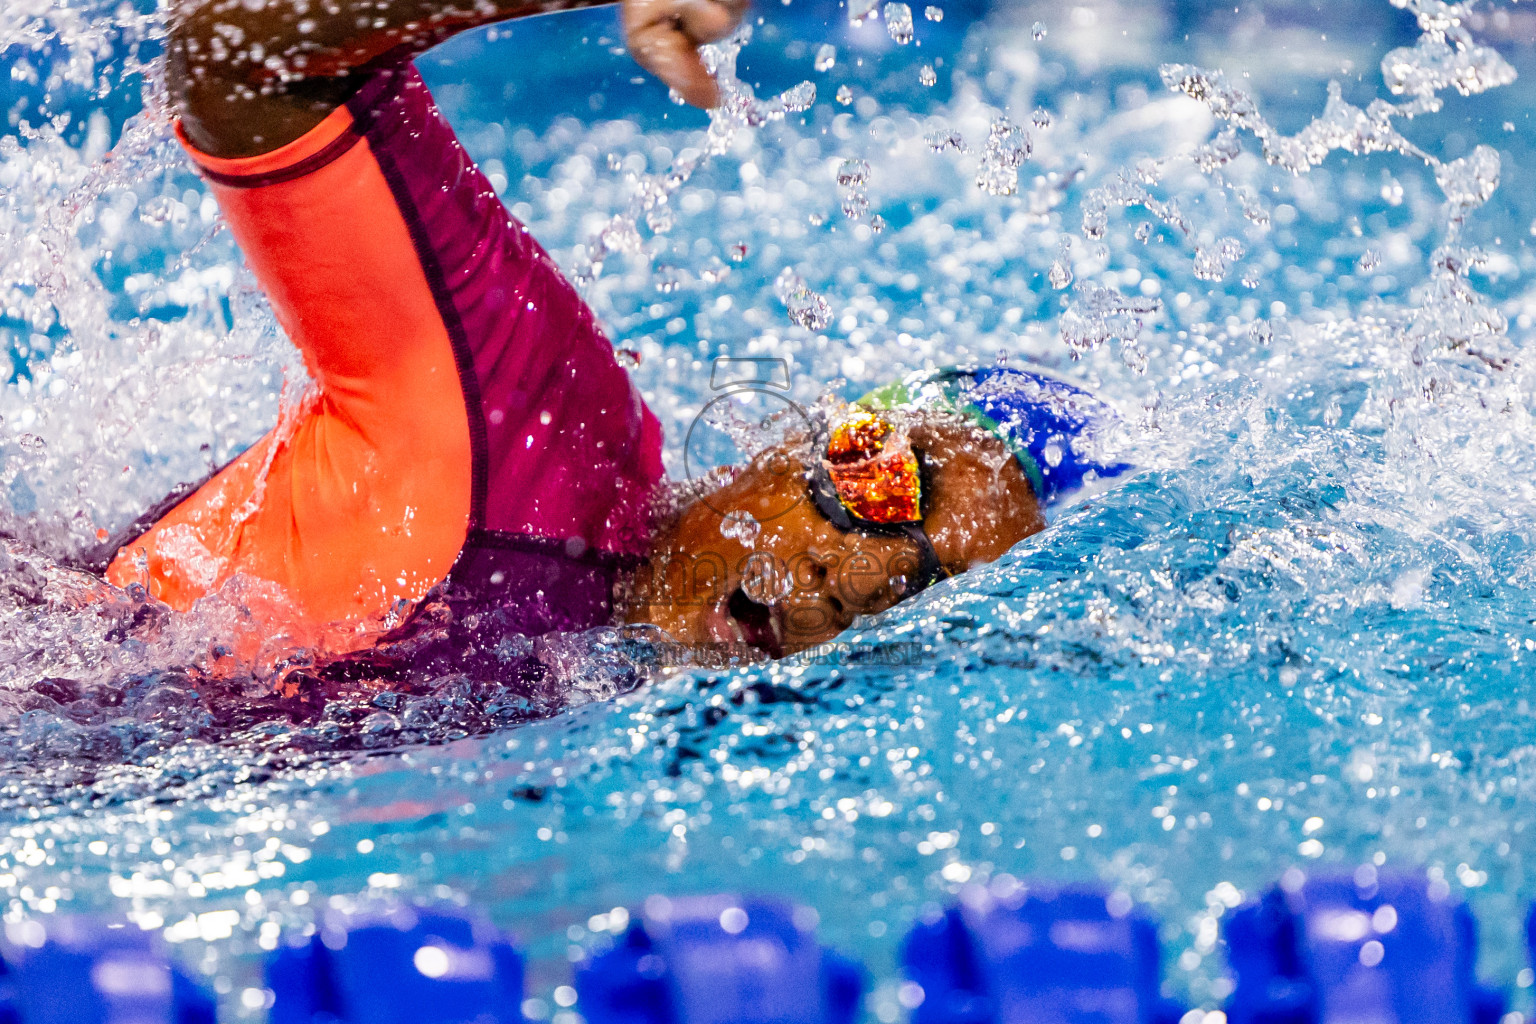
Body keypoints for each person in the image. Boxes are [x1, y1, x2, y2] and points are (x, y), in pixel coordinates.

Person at [98, 0, 1130, 672]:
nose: (848, 583)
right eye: (881, 488)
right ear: (819, 430)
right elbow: (238, 64)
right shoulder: (531, 420)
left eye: (921, 591)